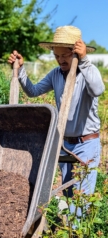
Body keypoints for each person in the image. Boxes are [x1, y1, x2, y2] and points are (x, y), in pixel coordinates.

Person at [8, 25, 105, 210]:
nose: (60, 60)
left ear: (76, 52)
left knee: (81, 199)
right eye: (56, 55)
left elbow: (98, 89)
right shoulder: (56, 74)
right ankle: (70, 233)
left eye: (65, 55)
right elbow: (33, 91)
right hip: (64, 143)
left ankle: (77, 237)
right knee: (68, 194)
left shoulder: (88, 72)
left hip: (86, 144)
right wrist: (20, 70)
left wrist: (84, 61)